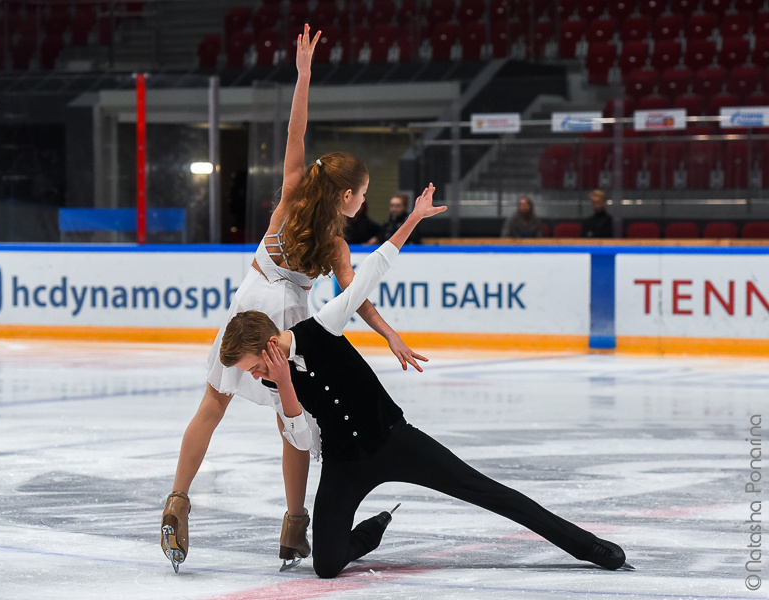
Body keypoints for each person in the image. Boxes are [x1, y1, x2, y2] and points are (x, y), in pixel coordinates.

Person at [219, 184, 633, 579]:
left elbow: (370, 273)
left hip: (395, 440)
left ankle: (587, 545)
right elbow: (302, 443)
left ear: (270, 342)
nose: (254, 377)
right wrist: (285, 385)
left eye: (252, 365)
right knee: (326, 565)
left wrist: (413, 218)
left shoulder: (322, 327)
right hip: (344, 464)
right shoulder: (276, 380)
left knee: (484, 490)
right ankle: (368, 534)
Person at [161, 25, 427, 574]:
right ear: (348, 196)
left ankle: (178, 500)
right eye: (363, 192)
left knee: (212, 404)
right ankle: (292, 525)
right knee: (293, 420)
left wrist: (303, 75)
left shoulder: (291, 197)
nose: (364, 200)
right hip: (287, 316)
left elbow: (295, 131)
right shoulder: (334, 240)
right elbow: (355, 298)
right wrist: (389, 333)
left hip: (250, 295)